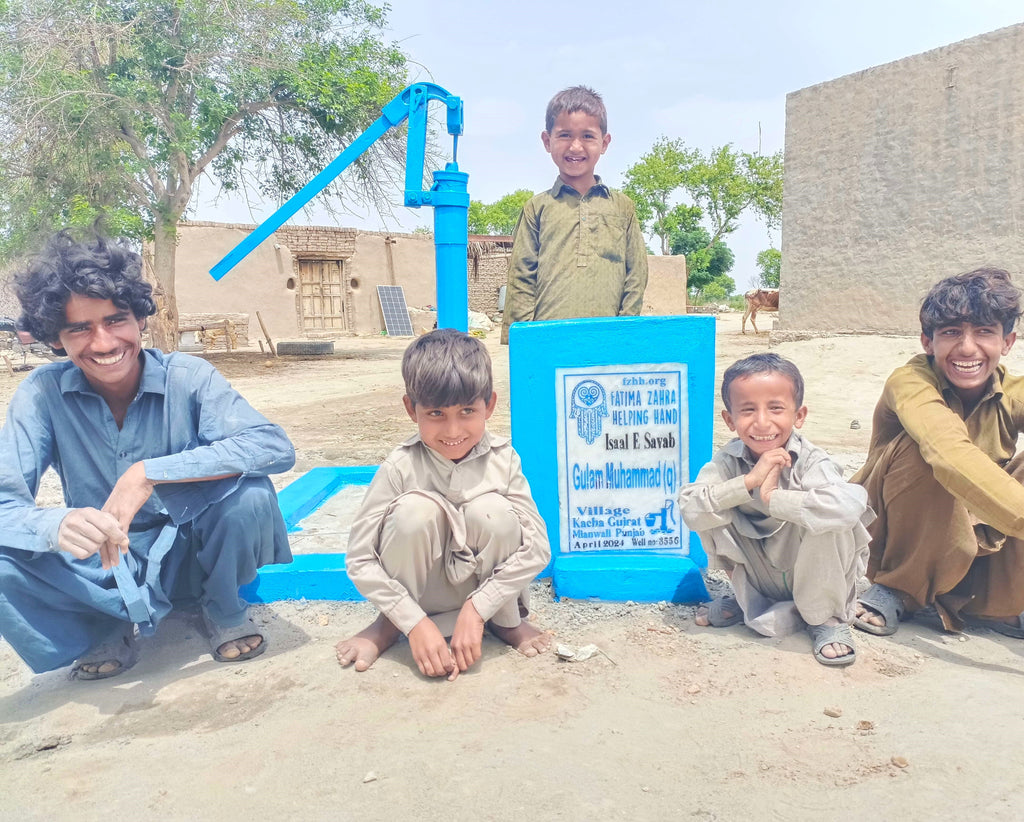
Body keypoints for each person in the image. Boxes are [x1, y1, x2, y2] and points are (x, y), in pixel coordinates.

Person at [0, 231, 295, 679]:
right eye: (79, 327)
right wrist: (55, 524)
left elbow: (272, 445)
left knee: (250, 496)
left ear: (140, 319)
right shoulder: (41, 395)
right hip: (104, 563)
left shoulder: (188, 376)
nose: (102, 343)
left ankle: (223, 609)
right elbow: (5, 504)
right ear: (55, 339)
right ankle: (102, 623)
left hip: (193, 550)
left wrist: (149, 473)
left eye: (115, 320)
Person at [336, 328, 551, 680]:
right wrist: (413, 621)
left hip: (485, 600)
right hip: (419, 600)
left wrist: (479, 609)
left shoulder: (504, 460)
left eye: (467, 410)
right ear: (411, 409)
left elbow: (538, 549)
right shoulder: (400, 466)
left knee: (494, 513)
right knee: (414, 513)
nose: (453, 431)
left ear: (490, 406)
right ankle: (392, 625)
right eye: (436, 413)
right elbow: (360, 560)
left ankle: (505, 622)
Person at [852, 267, 1024, 638]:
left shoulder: (1011, 391)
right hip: (894, 535)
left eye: (984, 332)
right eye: (950, 333)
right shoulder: (910, 382)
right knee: (924, 451)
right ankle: (897, 589)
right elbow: (947, 450)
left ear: (1007, 342)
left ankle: (998, 603)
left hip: (975, 539)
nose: (967, 348)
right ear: (927, 342)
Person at [679, 353, 873, 666]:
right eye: (747, 410)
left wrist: (772, 499)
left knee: (832, 518)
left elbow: (849, 506)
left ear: (799, 415)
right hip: (759, 573)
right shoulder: (727, 462)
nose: (762, 422)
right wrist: (747, 482)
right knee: (706, 504)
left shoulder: (812, 461)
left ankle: (825, 618)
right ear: (730, 420)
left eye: (776, 408)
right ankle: (750, 601)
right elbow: (688, 509)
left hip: (812, 574)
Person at [500, 85, 648, 344]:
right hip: (548, 339)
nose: (576, 146)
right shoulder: (537, 207)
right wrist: (525, 341)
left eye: (588, 136)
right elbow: (521, 278)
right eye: (565, 135)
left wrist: (625, 328)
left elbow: (636, 274)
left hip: (608, 338)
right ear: (547, 141)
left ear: (604, 143)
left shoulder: (622, 207)